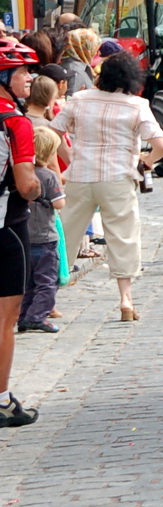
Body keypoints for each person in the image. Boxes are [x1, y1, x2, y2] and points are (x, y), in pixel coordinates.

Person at [51, 51, 163, 324]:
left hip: (81, 176)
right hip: (117, 178)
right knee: (123, 236)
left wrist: (71, 158)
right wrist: (146, 162)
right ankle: (126, 299)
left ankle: (49, 298)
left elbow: (53, 133)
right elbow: (162, 146)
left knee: (66, 234)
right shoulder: (137, 105)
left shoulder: (79, 99)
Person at [0, 38, 45, 426]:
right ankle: (1, 401)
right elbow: (26, 184)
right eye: (21, 71)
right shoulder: (16, 122)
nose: (29, 77)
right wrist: (40, 187)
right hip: (6, 227)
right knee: (5, 318)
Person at [15, 127, 64, 334]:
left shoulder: (19, 175)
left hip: (24, 237)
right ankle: (37, 317)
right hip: (45, 237)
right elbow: (59, 203)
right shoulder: (49, 176)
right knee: (47, 282)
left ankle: (23, 316)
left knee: (28, 283)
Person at [60, 28, 98, 95]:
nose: (96, 53)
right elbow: (71, 98)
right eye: (94, 48)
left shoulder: (75, 65)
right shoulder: (76, 70)